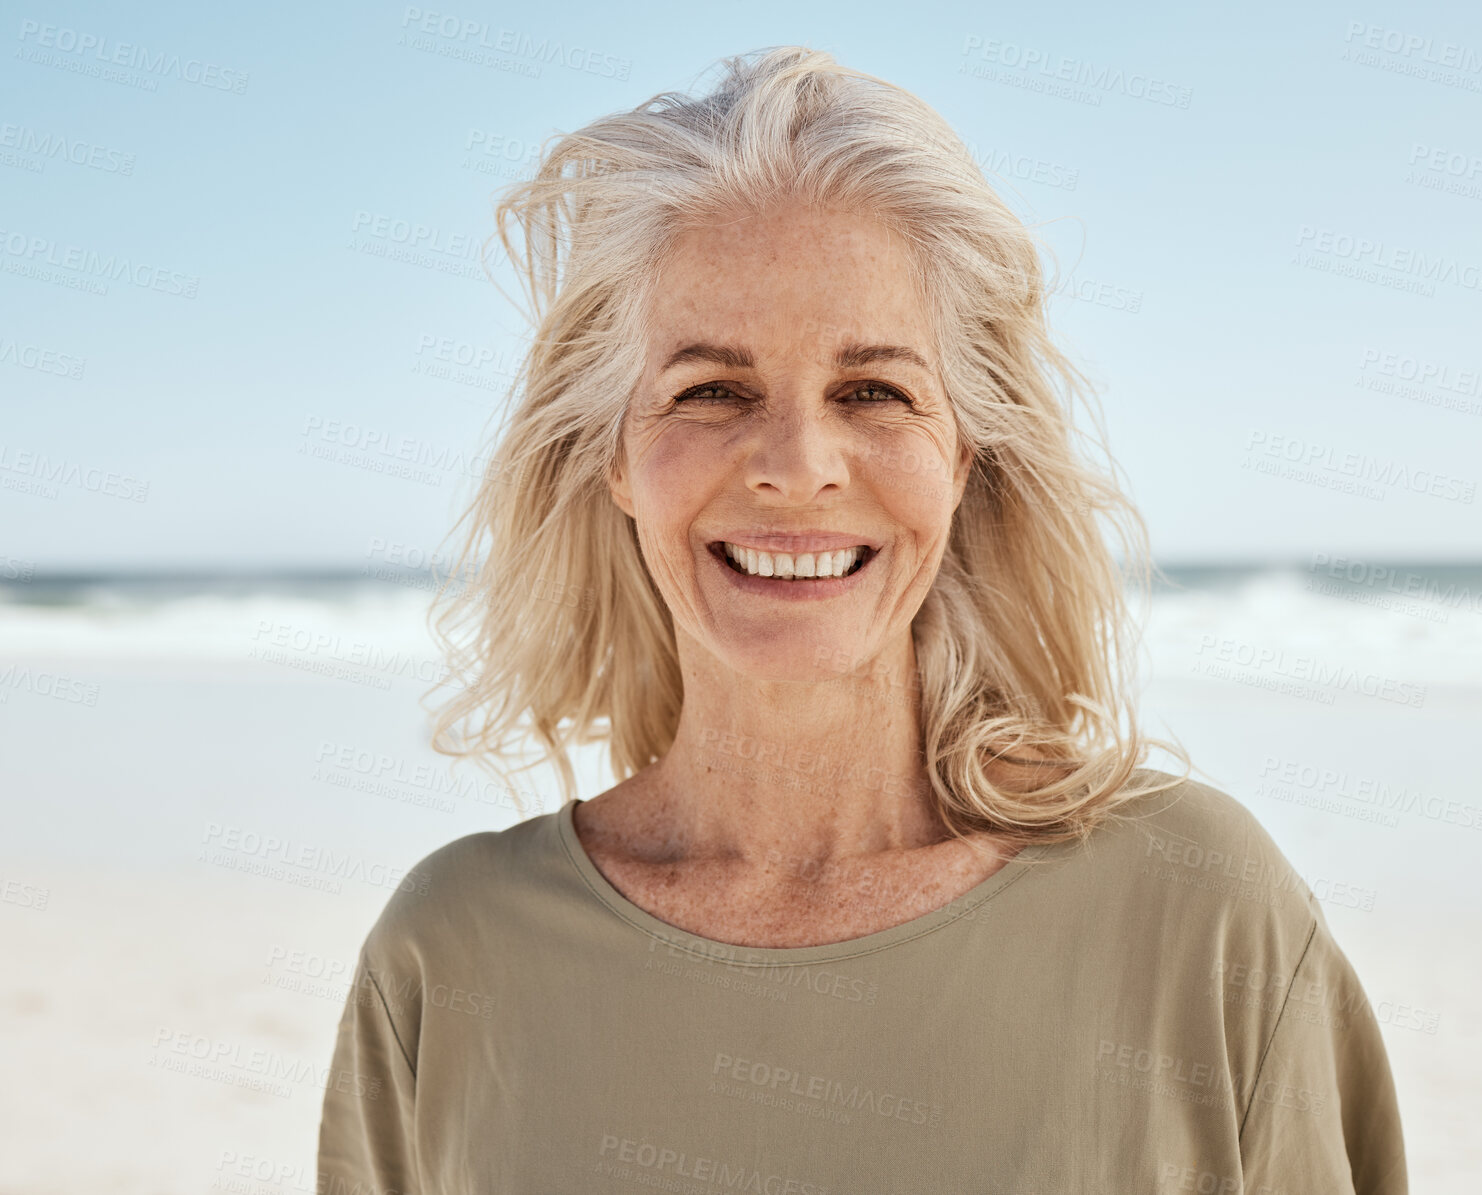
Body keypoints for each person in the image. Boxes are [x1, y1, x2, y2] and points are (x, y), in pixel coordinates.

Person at [316, 45, 1407, 1194]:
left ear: (962, 455)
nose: (795, 466)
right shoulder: (450, 955)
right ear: (614, 458)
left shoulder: (1202, 911)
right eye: (710, 390)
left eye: (872, 391)